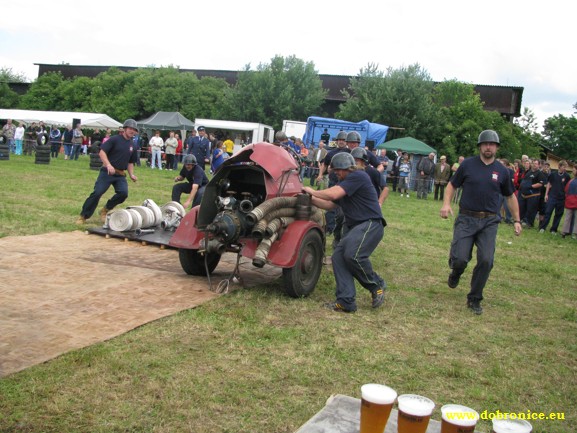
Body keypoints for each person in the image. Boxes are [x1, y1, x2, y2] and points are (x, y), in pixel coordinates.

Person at [440, 130, 522, 315]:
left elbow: (510, 196)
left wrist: (517, 220)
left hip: (489, 221)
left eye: (492, 144)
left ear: (497, 147)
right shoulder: (468, 165)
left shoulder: (503, 171)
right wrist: (446, 204)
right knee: (460, 258)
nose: (488, 147)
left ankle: (474, 298)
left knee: (486, 260)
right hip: (466, 218)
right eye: (485, 144)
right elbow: (452, 185)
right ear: (480, 146)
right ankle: (456, 272)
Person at [303, 153, 386, 313]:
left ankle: (377, 285)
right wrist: (308, 198)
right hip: (357, 226)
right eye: (335, 171)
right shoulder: (345, 183)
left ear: (349, 168)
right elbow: (329, 204)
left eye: (339, 170)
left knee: (353, 255)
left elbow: (332, 194)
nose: (337, 173)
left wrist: (312, 190)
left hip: (371, 224)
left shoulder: (358, 176)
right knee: (338, 258)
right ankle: (346, 301)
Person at [76, 119, 139, 225]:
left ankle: (105, 210)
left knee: (123, 193)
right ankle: (83, 216)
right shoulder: (114, 139)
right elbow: (102, 152)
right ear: (124, 129)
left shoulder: (133, 145)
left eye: (134, 130)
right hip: (107, 172)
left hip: (120, 174)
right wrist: (108, 165)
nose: (131, 131)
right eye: (130, 128)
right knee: (97, 193)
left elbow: (130, 162)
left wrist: (131, 174)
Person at [539, 160, 571, 234]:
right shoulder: (553, 174)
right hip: (552, 196)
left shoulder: (567, 176)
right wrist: (546, 195)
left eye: (566, 167)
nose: (565, 168)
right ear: (559, 166)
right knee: (548, 212)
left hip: (561, 198)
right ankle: (543, 227)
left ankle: (553, 229)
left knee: (558, 214)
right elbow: (549, 184)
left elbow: (567, 187)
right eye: (564, 166)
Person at [518, 158, 545, 228]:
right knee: (523, 209)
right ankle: (522, 220)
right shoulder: (529, 172)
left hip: (533, 195)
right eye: (533, 163)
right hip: (524, 195)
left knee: (531, 210)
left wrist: (530, 186)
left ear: (539, 165)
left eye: (536, 164)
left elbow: (540, 184)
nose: (534, 165)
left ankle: (529, 223)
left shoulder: (540, 173)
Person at [561, 165, 577, 239]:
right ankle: (574, 233)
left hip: (570, 201)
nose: (573, 171)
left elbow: (566, 190)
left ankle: (564, 231)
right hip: (572, 201)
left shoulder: (571, 181)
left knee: (568, 217)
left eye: (574, 170)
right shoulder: (572, 180)